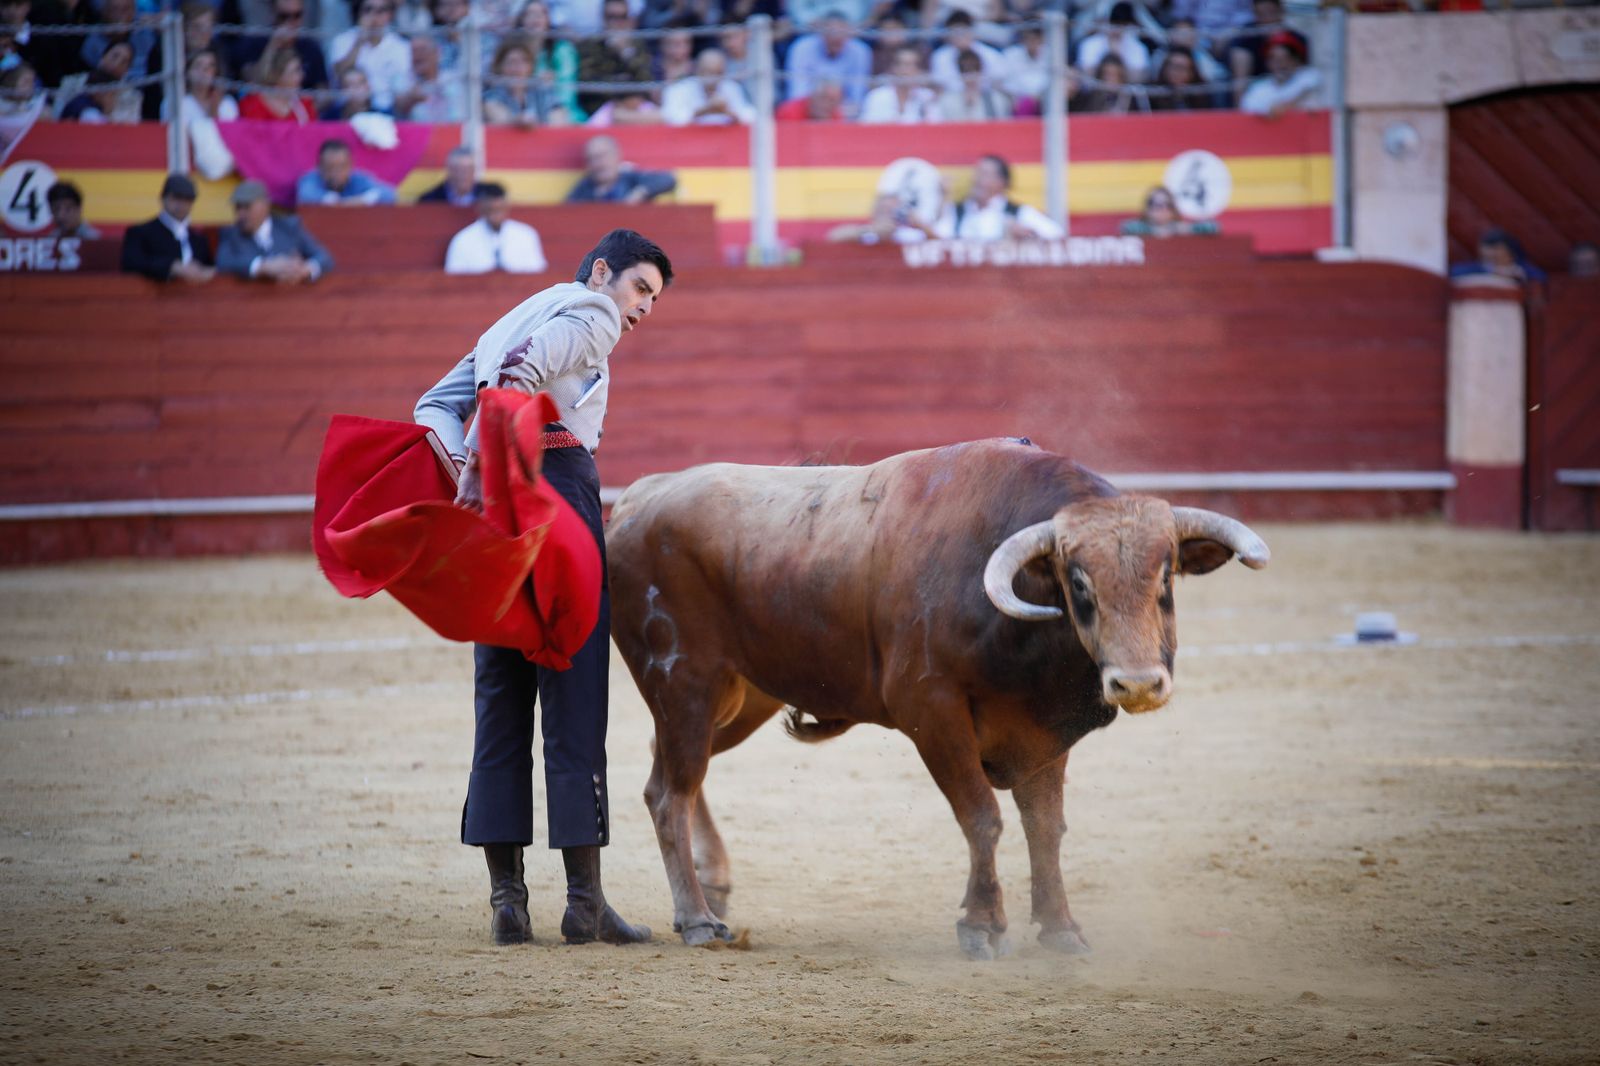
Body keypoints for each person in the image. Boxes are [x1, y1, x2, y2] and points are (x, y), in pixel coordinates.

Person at [412, 228, 672, 948]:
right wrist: (483, 460)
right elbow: (517, 377)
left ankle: (508, 901)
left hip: (499, 510)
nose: (642, 308)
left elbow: (434, 404)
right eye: (640, 288)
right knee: (573, 693)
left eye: (653, 299)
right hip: (555, 500)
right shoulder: (594, 313)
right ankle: (585, 904)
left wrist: (470, 468)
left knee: (500, 696)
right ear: (602, 271)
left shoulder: (510, 317)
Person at [217, 179, 335, 283]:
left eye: (247, 206)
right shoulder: (231, 233)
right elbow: (223, 262)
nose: (241, 214)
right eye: (238, 207)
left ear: (265, 204)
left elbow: (324, 257)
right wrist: (263, 266)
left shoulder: (289, 227)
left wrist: (306, 269)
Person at [934, 154, 1063, 241]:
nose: (977, 179)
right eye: (977, 173)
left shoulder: (1017, 212)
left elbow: (1056, 235)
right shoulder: (957, 211)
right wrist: (943, 198)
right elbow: (938, 238)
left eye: (984, 174)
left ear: (1001, 182)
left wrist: (1028, 236)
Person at [120, 173, 216, 284]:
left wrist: (207, 271)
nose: (182, 204)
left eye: (188, 199)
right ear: (163, 198)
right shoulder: (140, 232)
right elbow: (131, 264)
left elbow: (209, 267)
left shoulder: (198, 239)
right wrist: (172, 266)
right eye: (176, 197)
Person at [328, 0, 413, 113]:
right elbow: (338, 76)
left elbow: (403, 87)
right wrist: (360, 41)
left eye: (380, 11)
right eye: (368, 10)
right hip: (348, 112)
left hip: (387, 112)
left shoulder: (402, 47)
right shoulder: (342, 41)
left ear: (390, 15)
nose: (374, 16)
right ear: (359, 13)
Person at [444, 183, 548, 274]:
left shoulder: (526, 235)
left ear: (506, 206)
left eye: (499, 209)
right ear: (479, 207)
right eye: (490, 210)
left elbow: (538, 272)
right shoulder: (463, 240)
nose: (495, 214)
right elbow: (453, 277)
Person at [574, 0, 652, 117]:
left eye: (622, 17)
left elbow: (646, 81)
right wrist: (623, 82)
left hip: (634, 105)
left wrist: (626, 53)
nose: (617, 22)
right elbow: (587, 81)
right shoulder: (589, 45)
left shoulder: (637, 44)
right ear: (603, 18)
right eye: (611, 17)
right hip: (599, 107)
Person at [236, 0, 330, 94]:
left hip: (301, 101)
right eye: (284, 16)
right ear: (273, 13)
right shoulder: (256, 40)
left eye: (297, 15)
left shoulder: (311, 46)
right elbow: (251, 82)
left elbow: (323, 90)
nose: (290, 22)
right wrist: (273, 46)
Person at [784, 11, 871, 110]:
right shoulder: (802, 48)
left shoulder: (860, 51)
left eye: (840, 32)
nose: (836, 37)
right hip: (808, 108)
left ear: (849, 33)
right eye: (832, 32)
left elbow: (857, 94)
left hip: (844, 110)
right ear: (821, 32)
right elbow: (797, 91)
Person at [565, 134, 676, 203]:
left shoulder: (630, 177)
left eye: (601, 156)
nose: (597, 164)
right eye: (591, 159)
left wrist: (640, 192)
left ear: (616, 155)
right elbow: (568, 212)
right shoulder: (585, 187)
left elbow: (667, 179)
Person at [662, 48, 754, 126]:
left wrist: (727, 111)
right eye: (708, 72)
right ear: (697, 70)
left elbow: (751, 116)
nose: (713, 79)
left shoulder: (732, 87)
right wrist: (704, 110)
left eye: (718, 73)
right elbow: (670, 118)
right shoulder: (680, 89)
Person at [1238, 30, 1320, 117]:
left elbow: (1310, 88)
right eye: (1275, 59)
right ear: (1268, 63)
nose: (1281, 64)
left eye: (1286, 58)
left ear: (1296, 60)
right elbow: (1248, 109)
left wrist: (1285, 106)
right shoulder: (1259, 89)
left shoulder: (1308, 76)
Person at [297, 138, 398, 206]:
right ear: (319, 166)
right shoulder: (311, 179)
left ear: (350, 165)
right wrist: (339, 202)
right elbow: (306, 194)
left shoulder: (358, 178)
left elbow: (389, 194)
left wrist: (364, 200)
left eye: (342, 166)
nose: (336, 172)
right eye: (330, 167)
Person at [484, 38, 562, 126]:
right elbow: (499, 117)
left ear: (531, 66)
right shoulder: (491, 95)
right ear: (500, 66)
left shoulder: (542, 91)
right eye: (512, 62)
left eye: (524, 61)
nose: (518, 68)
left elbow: (559, 119)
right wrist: (518, 122)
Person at [928, 11, 1004, 96]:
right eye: (955, 32)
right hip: (953, 97)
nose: (959, 37)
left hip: (985, 96)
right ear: (948, 34)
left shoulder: (990, 54)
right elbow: (941, 85)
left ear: (971, 31)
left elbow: (997, 81)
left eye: (963, 32)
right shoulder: (940, 56)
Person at [859, 44, 939, 124]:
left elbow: (936, 125)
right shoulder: (877, 96)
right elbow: (866, 125)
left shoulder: (927, 97)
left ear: (918, 70)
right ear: (893, 68)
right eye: (900, 64)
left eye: (910, 65)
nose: (904, 70)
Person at [1074, 1, 1151, 84]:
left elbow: (1138, 79)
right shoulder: (1089, 44)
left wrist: (1118, 57)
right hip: (1096, 90)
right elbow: (1086, 76)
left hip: (1124, 91)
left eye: (1123, 25)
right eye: (1114, 23)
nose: (1117, 29)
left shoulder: (1138, 48)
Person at [395, 33, 466, 122]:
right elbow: (398, 107)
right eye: (413, 51)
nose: (417, 55)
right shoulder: (404, 80)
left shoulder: (452, 80)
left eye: (422, 50)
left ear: (437, 53)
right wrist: (410, 99)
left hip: (450, 128)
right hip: (418, 129)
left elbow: (460, 115)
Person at [238, 47, 316, 121]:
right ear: (277, 75)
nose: (302, 75)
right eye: (295, 71)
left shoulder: (305, 104)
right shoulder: (251, 104)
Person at [825, 191, 932, 245]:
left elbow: (938, 245)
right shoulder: (867, 234)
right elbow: (833, 237)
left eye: (890, 211)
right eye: (882, 211)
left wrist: (918, 224)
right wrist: (873, 231)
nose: (886, 216)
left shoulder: (907, 235)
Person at [1448, 228, 1547, 283]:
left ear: (1510, 252)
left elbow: (1541, 277)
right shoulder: (1479, 267)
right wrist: (1492, 272)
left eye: (1496, 249)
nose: (1490, 253)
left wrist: (1519, 275)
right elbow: (1454, 272)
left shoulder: (1520, 268)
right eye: (1487, 249)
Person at [939, 47, 1010, 121]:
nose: (971, 76)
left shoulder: (996, 99)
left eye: (975, 69)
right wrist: (968, 106)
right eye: (966, 71)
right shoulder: (948, 100)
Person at [1119, 185, 1218, 237]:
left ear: (1174, 210)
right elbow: (1127, 228)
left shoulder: (1180, 228)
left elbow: (1212, 227)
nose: (1164, 209)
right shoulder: (1138, 227)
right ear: (1148, 209)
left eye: (1168, 205)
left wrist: (1188, 229)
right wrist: (1155, 231)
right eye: (1158, 205)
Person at [419, 146, 495, 206]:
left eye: (468, 169)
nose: (464, 175)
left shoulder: (492, 195)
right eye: (459, 169)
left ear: (474, 171)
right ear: (450, 171)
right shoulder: (430, 200)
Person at [775, 77, 843, 121]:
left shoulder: (836, 117)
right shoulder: (788, 112)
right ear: (812, 95)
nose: (827, 105)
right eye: (823, 98)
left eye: (832, 101)